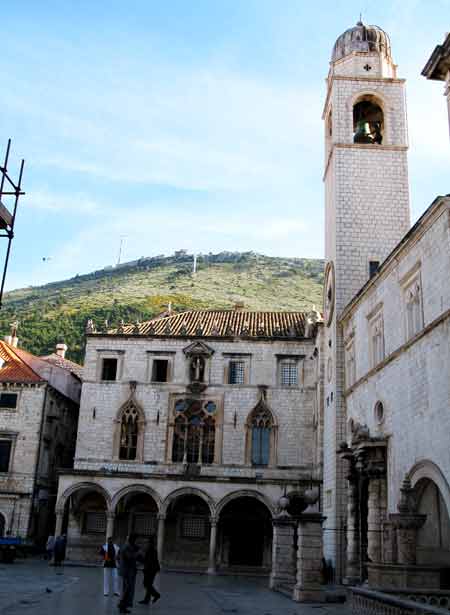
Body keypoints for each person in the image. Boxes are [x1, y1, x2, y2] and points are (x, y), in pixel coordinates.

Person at [118, 533, 141, 614]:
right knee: (127, 589)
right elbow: (129, 557)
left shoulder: (129, 546)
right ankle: (122, 605)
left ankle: (123, 605)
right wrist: (137, 553)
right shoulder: (126, 546)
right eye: (135, 539)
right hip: (127, 571)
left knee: (127, 589)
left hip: (129, 571)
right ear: (132, 539)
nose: (136, 541)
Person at [138, 537, 161, 605]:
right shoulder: (152, 549)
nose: (145, 544)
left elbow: (148, 561)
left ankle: (156, 595)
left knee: (146, 584)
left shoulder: (150, 550)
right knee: (149, 584)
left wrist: (140, 558)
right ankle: (146, 600)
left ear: (150, 543)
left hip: (150, 570)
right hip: (153, 569)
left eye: (146, 542)